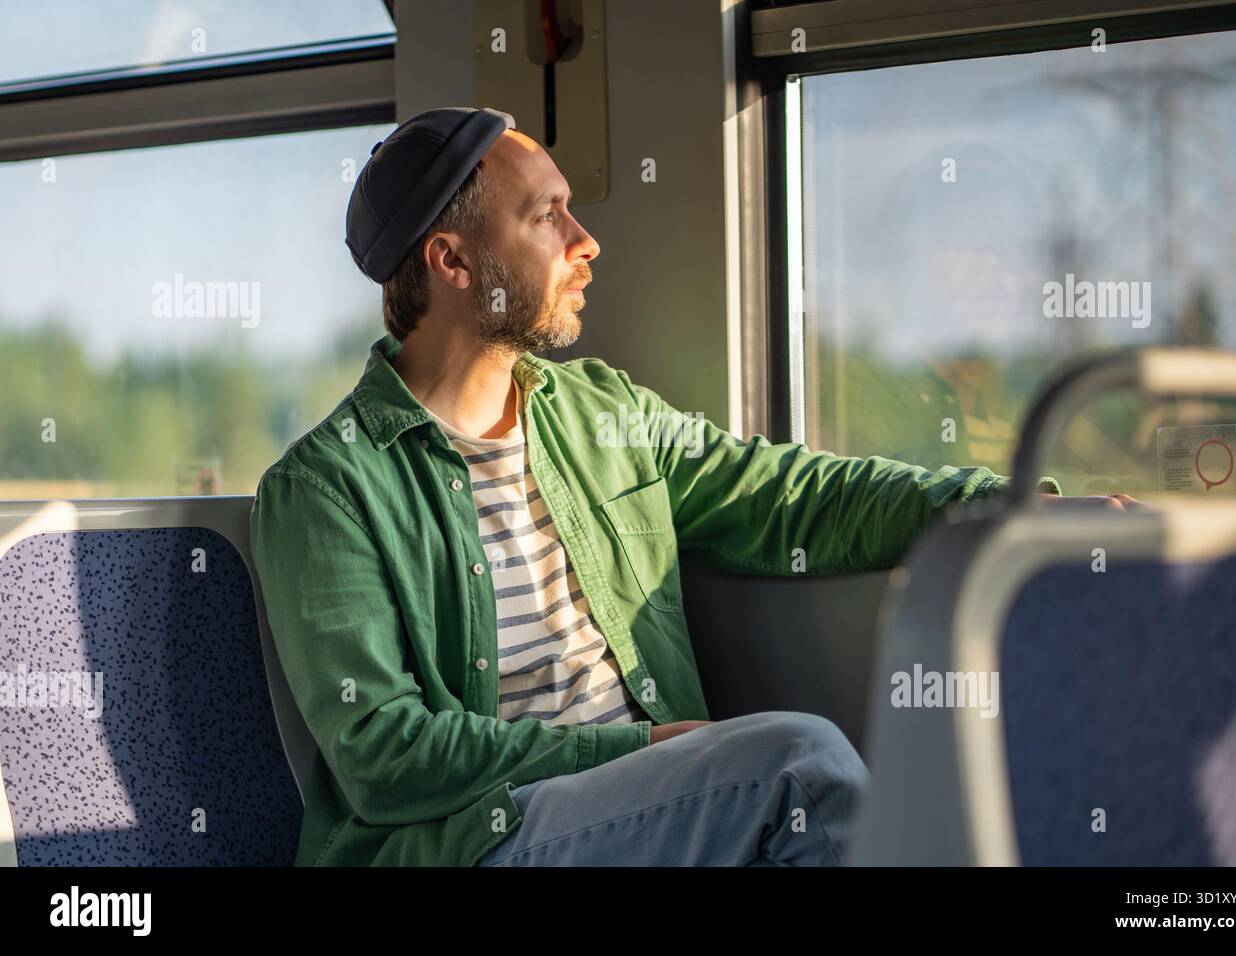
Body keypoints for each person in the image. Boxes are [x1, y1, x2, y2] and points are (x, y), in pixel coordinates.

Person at [250, 106, 1141, 867]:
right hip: (479, 837)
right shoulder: (328, 487)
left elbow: (794, 496)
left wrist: (1011, 510)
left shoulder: (599, 413)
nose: (585, 243)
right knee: (798, 766)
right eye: (548, 217)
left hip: (651, 802)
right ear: (451, 262)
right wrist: (642, 746)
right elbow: (384, 754)